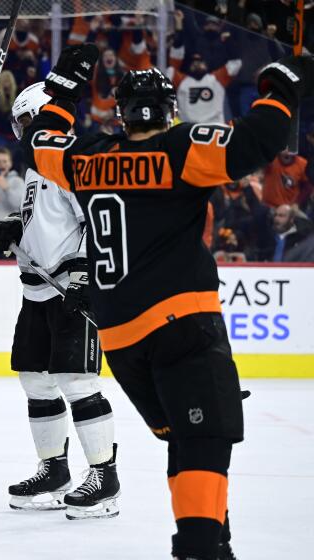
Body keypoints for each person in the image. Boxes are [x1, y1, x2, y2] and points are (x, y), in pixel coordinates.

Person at [17, 43, 312, 559]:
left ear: (120, 113)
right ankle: (200, 548)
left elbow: (42, 142)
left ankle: (214, 543)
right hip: (183, 325)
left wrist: (64, 86)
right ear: (171, 111)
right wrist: (283, 82)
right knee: (204, 441)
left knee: (189, 436)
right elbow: (259, 141)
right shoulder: (182, 149)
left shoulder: (87, 159)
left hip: (122, 341)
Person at [0, 82, 120, 520]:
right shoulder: (33, 167)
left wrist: (85, 276)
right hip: (36, 288)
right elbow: (45, 220)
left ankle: (105, 477)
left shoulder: (70, 160)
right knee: (36, 380)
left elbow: (96, 221)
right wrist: (11, 226)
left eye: (28, 121)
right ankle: (54, 470)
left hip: (71, 285)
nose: (23, 131)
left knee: (77, 381)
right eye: (21, 124)